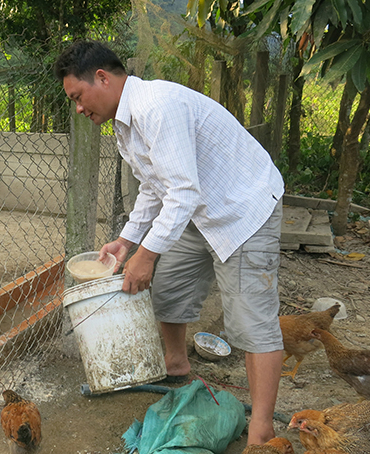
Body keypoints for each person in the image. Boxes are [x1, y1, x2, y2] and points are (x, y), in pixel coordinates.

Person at [54, 40, 284, 446]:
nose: (78, 107)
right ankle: (176, 363)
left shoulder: (156, 107)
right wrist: (126, 243)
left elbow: (180, 193)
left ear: (102, 78)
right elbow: (154, 187)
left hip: (241, 209)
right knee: (169, 287)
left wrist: (146, 254)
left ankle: (262, 430)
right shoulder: (125, 125)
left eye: (78, 96)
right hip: (196, 205)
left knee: (252, 323)